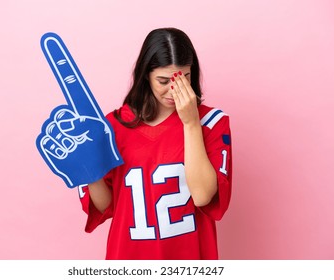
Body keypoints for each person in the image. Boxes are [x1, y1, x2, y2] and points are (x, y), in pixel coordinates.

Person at [78, 27, 232, 260]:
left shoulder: (211, 122)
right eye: (163, 80)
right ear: (145, 76)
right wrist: (87, 169)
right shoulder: (113, 125)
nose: (174, 90)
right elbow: (104, 205)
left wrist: (190, 123)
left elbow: (202, 196)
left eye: (184, 79)